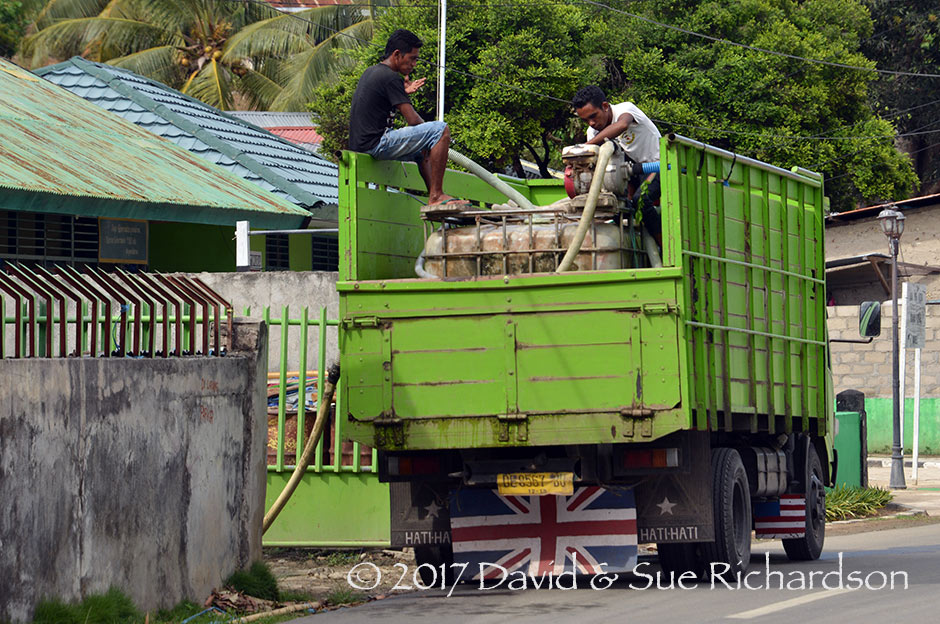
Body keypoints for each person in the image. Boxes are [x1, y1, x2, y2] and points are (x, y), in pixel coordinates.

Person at [348, 29, 466, 210]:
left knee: (423, 150)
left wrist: (403, 93)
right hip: (376, 144)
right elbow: (412, 120)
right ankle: (436, 195)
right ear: (397, 54)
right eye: (412, 58)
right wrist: (437, 136)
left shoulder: (373, 72)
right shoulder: (390, 77)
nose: (414, 64)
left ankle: (435, 195)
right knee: (440, 130)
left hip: (362, 144)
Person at [571, 85, 663, 239]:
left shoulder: (625, 109)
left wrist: (587, 146)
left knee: (641, 201)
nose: (591, 123)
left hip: (658, 165)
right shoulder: (593, 132)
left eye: (594, 116)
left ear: (605, 106)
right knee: (615, 204)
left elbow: (622, 125)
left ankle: (663, 247)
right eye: (586, 120)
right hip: (630, 172)